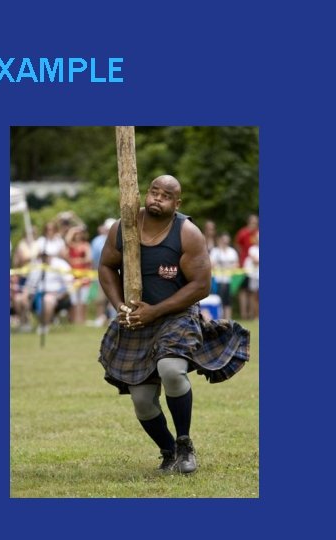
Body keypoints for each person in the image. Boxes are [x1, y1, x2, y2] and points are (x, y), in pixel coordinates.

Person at [98, 175, 250, 474]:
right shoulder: (123, 227)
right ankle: (168, 452)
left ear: (176, 203)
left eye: (165, 195)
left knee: (171, 369)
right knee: (142, 399)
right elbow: (105, 266)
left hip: (176, 316)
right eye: (153, 192)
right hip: (138, 320)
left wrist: (155, 311)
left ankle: (184, 443)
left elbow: (201, 286)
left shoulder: (187, 233)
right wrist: (120, 306)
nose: (157, 198)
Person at [209, 232, 239, 319]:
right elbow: (212, 264)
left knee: (228, 301)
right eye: (223, 240)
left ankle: (228, 319)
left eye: (227, 241)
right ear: (220, 240)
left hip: (229, 279)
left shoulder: (232, 251)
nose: (225, 242)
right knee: (219, 299)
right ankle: (220, 318)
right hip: (217, 280)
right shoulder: (215, 251)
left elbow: (236, 264)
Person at [234, 214, 259, 319]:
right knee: (243, 290)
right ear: (248, 222)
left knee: (253, 291)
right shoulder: (243, 232)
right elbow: (237, 245)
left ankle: (251, 313)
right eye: (252, 221)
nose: (254, 223)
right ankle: (244, 314)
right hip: (243, 265)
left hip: (255, 268)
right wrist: (242, 256)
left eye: (256, 222)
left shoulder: (258, 233)